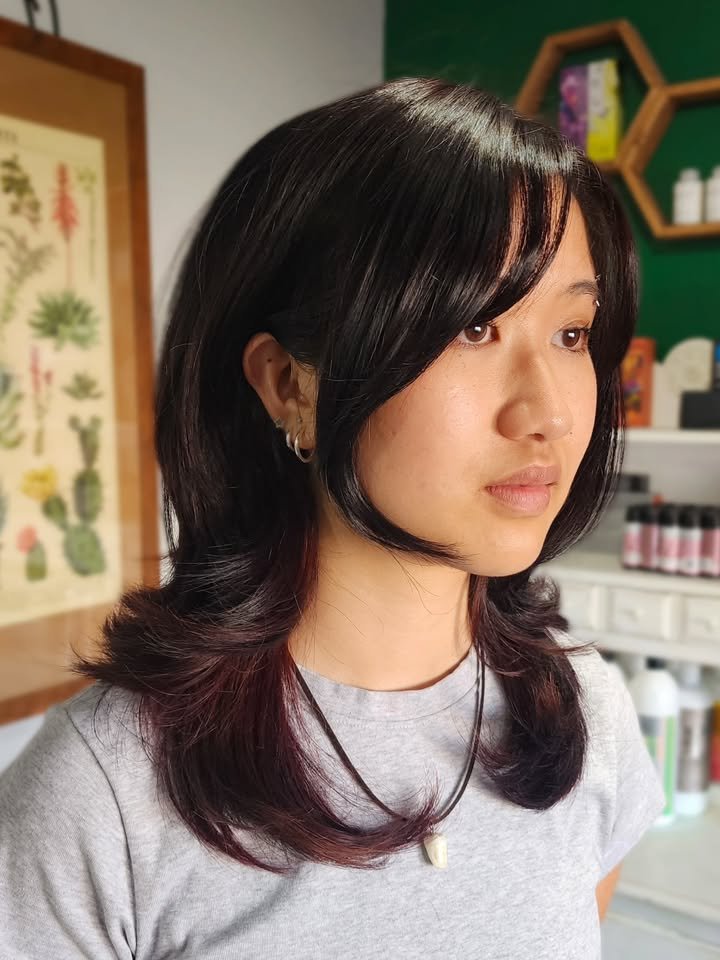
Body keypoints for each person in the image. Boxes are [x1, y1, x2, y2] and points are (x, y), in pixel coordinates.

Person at [0, 77, 664, 959]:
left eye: (571, 333)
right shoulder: (104, 796)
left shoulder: (584, 717)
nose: (546, 413)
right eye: (473, 327)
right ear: (291, 385)